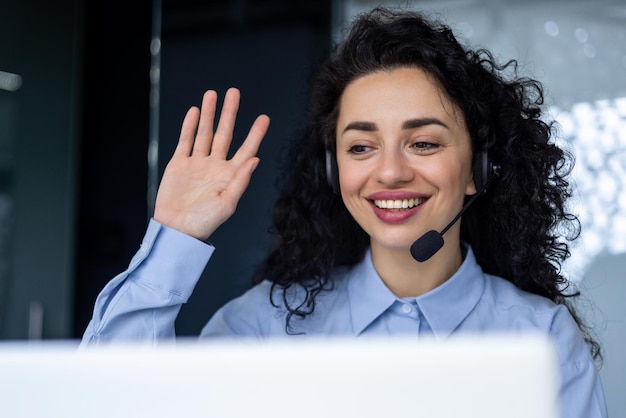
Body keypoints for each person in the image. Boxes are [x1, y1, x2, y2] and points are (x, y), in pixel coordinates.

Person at [81, 7, 607, 417]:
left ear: (478, 169)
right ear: (335, 174)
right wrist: (174, 236)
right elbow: (104, 403)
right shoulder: (267, 323)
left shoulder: (540, 338)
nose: (390, 172)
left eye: (423, 143)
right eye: (361, 147)